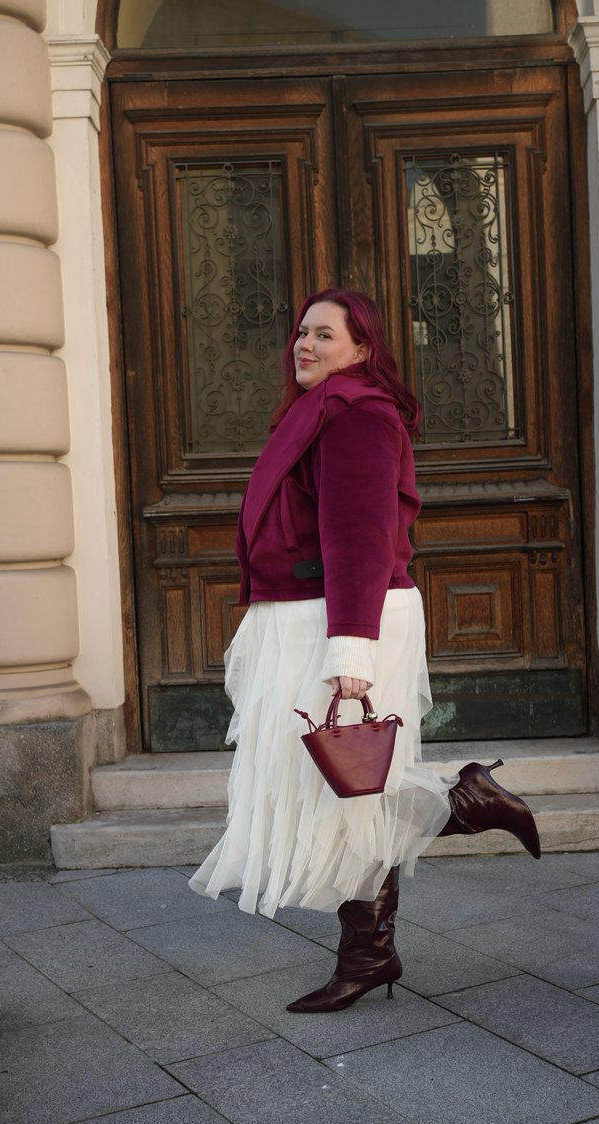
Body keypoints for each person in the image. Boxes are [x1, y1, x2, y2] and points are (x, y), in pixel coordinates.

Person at [188, 288, 540, 1013]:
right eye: (300, 332)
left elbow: (360, 538)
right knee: (334, 790)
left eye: (324, 334)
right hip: (307, 615)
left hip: (342, 617)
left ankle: (463, 801)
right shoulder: (319, 412)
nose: (304, 345)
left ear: (362, 349)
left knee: (344, 787)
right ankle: (371, 955)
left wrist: (350, 654)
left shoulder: (357, 418)